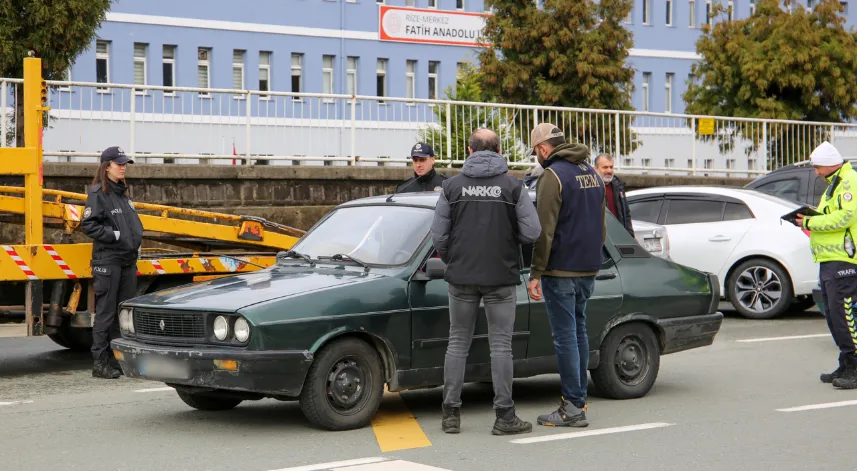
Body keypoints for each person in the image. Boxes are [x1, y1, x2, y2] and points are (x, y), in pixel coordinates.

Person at [431, 128, 541, 435]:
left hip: (461, 276)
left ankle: (451, 414)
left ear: (469, 151)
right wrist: (509, 241)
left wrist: (452, 257)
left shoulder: (451, 187)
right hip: (500, 276)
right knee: (501, 346)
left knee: (457, 343)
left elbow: (438, 234)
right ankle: (504, 415)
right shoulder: (513, 187)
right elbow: (532, 232)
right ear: (498, 151)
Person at [526, 123, 606, 427]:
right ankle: (579, 400)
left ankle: (572, 407)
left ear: (544, 148)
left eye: (536, 152)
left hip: (560, 270)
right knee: (579, 332)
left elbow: (544, 231)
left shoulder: (553, 176)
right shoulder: (591, 172)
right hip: (588, 267)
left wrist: (536, 272)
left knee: (565, 338)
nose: (537, 156)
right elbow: (601, 224)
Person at [795, 141, 857, 389]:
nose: (817, 173)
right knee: (833, 315)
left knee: (845, 316)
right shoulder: (836, 183)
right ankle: (846, 363)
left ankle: (854, 367)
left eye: (818, 167)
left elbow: (846, 216)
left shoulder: (849, 181)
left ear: (831, 163)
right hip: (830, 260)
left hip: (845, 260)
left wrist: (810, 223)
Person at [81, 146, 144, 379]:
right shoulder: (99, 194)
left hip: (127, 261)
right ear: (106, 167)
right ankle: (100, 362)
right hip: (108, 261)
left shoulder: (122, 194)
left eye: (124, 164)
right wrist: (114, 236)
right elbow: (88, 225)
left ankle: (117, 360)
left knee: (122, 312)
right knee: (106, 313)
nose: (123, 167)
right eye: (119, 164)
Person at [594, 153, 634, 236]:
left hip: (619, 237)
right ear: (595, 169)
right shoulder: (591, 188)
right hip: (602, 240)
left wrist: (631, 236)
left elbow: (626, 214)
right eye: (605, 167)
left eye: (611, 167)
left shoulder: (618, 186)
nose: (609, 171)